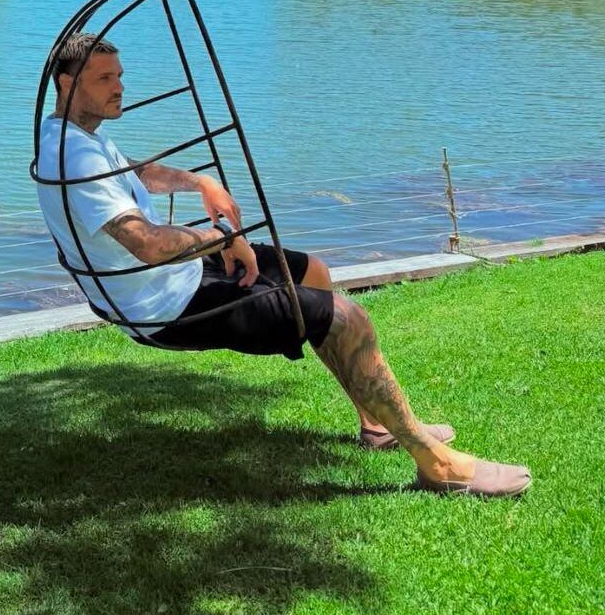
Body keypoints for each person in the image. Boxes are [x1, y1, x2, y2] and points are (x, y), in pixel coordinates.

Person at [35, 32, 531, 499]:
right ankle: (438, 465)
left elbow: (136, 173)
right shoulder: (75, 158)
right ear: (67, 83)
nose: (119, 87)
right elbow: (145, 243)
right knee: (347, 319)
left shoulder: (75, 136)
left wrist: (200, 183)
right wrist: (222, 239)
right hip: (167, 305)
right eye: (104, 79)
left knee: (312, 271)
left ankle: (378, 427)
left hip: (177, 278)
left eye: (120, 75)